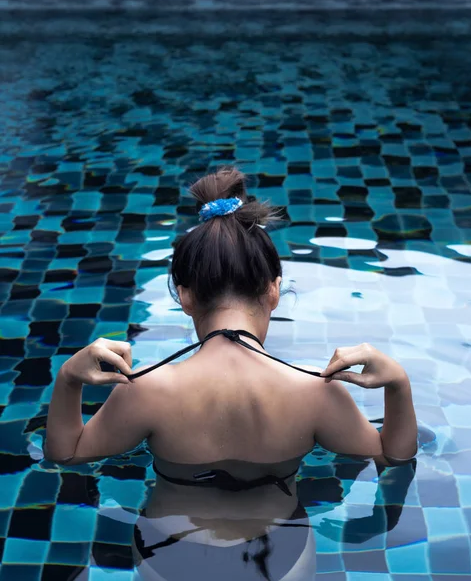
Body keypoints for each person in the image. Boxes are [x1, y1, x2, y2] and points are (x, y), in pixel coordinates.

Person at [45, 168, 418, 580]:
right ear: (274, 290)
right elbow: (394, 455)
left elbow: (66, 453)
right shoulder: (315, 391)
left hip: (167, 555)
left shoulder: (148, 390)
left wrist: (68, 379)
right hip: (280, 558)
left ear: (184, 296)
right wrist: (398, 385)